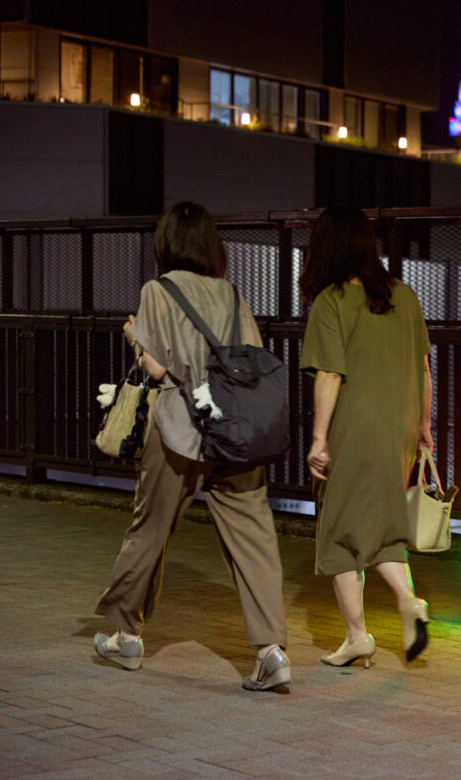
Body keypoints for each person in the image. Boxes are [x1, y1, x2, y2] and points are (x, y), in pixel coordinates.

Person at [93, 201, 291, 692]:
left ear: (166, 244)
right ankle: (271, 651)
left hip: (179, 429)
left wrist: (133, 337)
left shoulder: (157, 292)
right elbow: (249, 358)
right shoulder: (231, 294)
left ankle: (126, 635)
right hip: (234, 429)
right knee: (254, 539)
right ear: (210, 246)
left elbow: (159, 370)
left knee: (150, 528)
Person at [299, 204, 433, 667]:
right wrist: (423, 425)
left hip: (356, 426)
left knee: (339, 528)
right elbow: (423, 367)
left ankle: (383, 618)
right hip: (399, 424)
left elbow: (330, 374)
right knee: (380, 522)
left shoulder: (331, 301)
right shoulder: (404, 295)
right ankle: (378, 623)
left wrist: (319, 439)